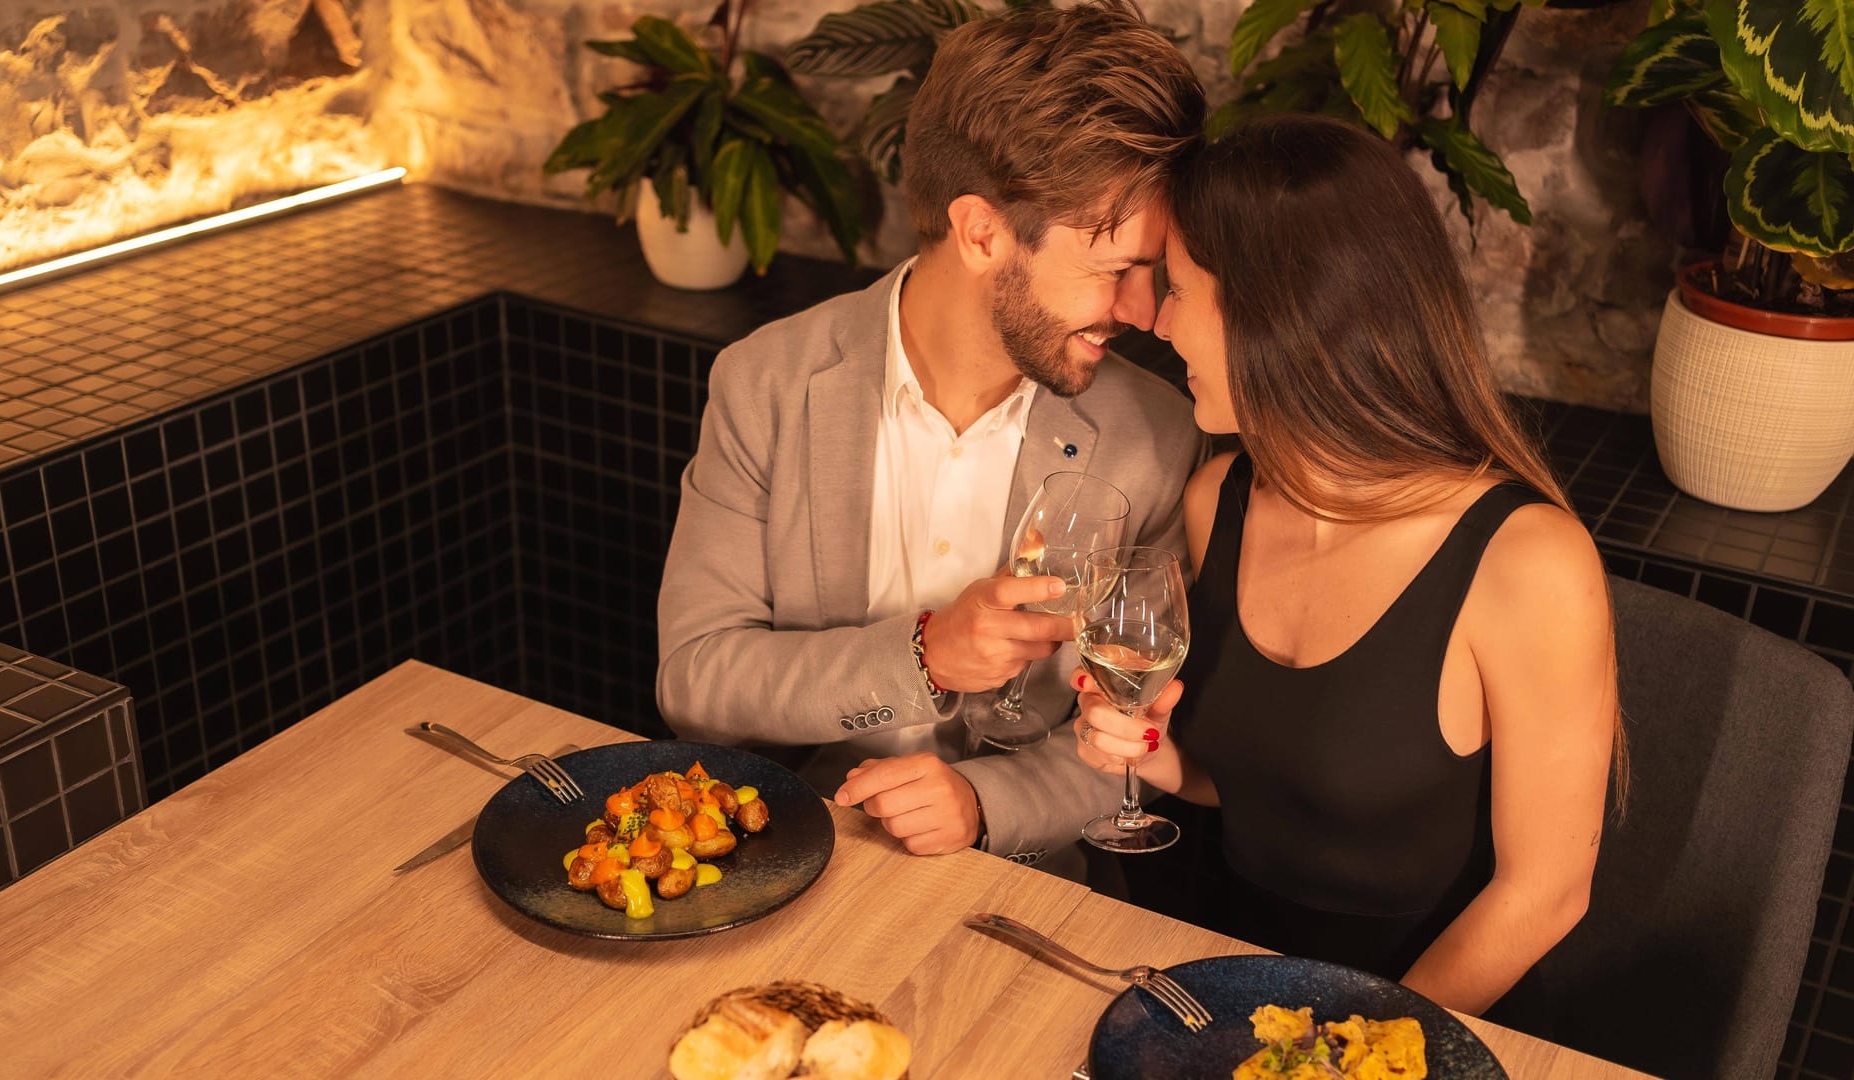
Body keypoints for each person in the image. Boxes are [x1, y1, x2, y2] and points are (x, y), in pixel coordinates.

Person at [1070, 115, 1621, 1024]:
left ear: (1280, 312)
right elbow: (1257, 784)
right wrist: (1156, 758)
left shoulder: (1527, 563)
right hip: (1216, 991)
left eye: (1178, 291)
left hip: (1418, 1030)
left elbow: (1545, 895)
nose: (1156, 323)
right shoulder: (1221, 500)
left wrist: (1337, 1054)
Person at [656, 0, 1208, 879]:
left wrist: (988, 806)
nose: (1144, 314)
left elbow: (1137, 729)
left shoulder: (1154, 432)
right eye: (1115, 271)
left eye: (1154, 271)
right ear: (982, 231)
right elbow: (697, 681)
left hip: (1013, 887)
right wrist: (925, 655)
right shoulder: (767, 381)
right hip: (777, 851)